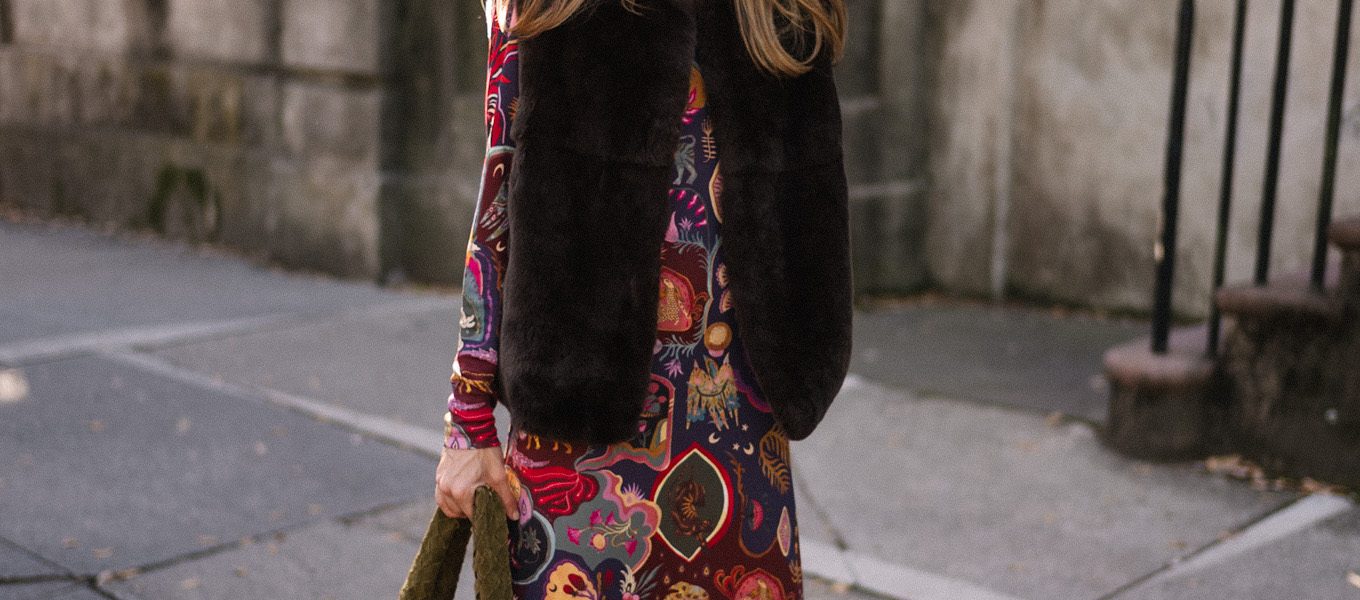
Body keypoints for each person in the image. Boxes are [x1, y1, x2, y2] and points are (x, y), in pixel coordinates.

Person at [435, 0, 850, 597]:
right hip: (574, 446)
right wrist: (468, 421)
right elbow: (496, 203)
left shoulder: (783, 10)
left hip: (740, 444)